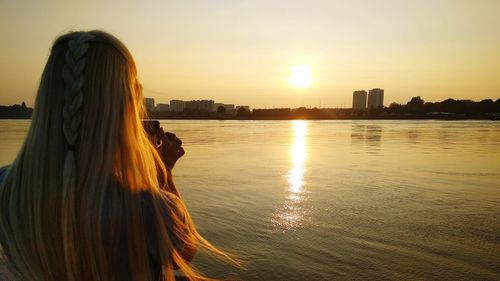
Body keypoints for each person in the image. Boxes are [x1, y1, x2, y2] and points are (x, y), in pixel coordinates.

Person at [0, 30, 236, 281]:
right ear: (125, 108)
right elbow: (184, 253)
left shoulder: (7, 186)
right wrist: (163, 172)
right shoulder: (151, 208)